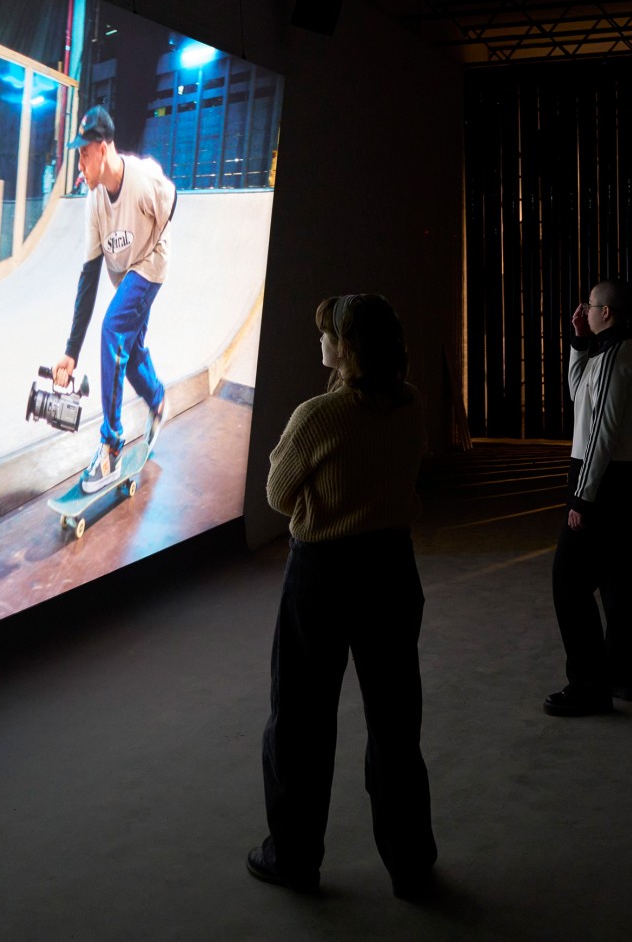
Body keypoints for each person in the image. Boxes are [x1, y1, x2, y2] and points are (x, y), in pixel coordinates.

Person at [250, 295, 437, 899]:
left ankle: (294, 858)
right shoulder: (410, 405)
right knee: (395, 722)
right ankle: (410, 864)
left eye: (327, 332)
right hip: (391, 567)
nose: (319, 341)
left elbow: (279, 493)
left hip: (323, 574)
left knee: (301, 721)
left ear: (346, 348)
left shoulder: (317, 416)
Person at [47, 105, 176, 494]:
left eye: (84, 155)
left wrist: (149, 248)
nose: (80, 166)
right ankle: (157, 400)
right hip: (125, 279)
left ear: (102, 149)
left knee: (113, 330)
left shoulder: (144, 178)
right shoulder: (95, 204)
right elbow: (88, 279)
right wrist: (71, 351)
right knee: (131, 353)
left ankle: (111, 442)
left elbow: (173, 203)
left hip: (150, 266)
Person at [546, 279, 632, 717]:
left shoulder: (617, 357)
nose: (584, 309)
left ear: (606, 312)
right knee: (620, 580)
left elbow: (599, 438)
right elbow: (579, 398)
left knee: (568, 580)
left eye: (589, 305)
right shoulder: (610, 353)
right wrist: (577, 341)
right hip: (624, 477)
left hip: (608, 480)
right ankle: (622, 679)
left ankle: (589, 686)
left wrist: (581, 498)